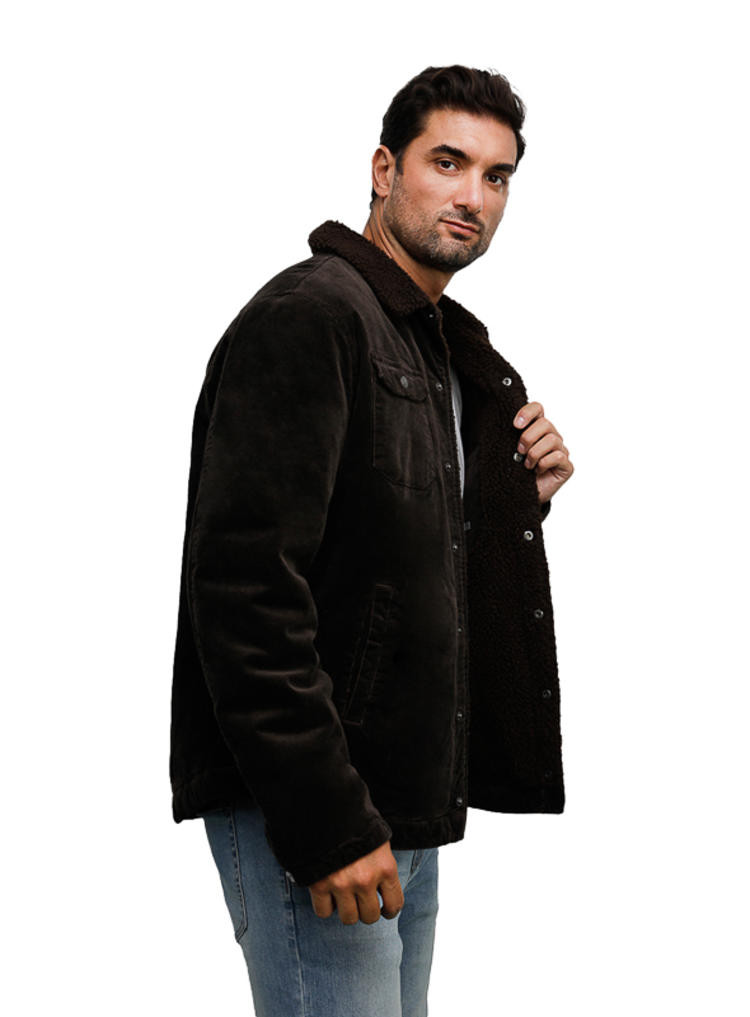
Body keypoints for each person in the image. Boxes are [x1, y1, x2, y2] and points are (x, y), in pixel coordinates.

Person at [170, 64, 574, 1017]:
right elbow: (244, 592)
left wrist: (513, 499)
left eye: (498, 176)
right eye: (448, 162)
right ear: (385, 169)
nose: (473, 197)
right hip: (317, 804)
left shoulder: (431, 344)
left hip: (400, 798)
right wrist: (326, 822)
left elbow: (389, 558)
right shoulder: (313, 317)